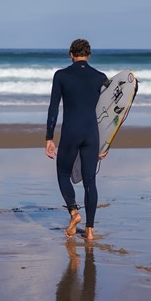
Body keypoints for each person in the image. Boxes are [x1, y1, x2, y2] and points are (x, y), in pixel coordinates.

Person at [45, 38, 109, 240]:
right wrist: (105, 143)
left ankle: (74, 212)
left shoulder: (61, 76)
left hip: (71, 132)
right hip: (92, 134)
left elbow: (53, 108)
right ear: (88, 55)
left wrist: (49, 137)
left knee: (63, 174)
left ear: (71, 54)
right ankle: (90, 231)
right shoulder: (101, 77)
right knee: (90, 181)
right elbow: (107, 114)